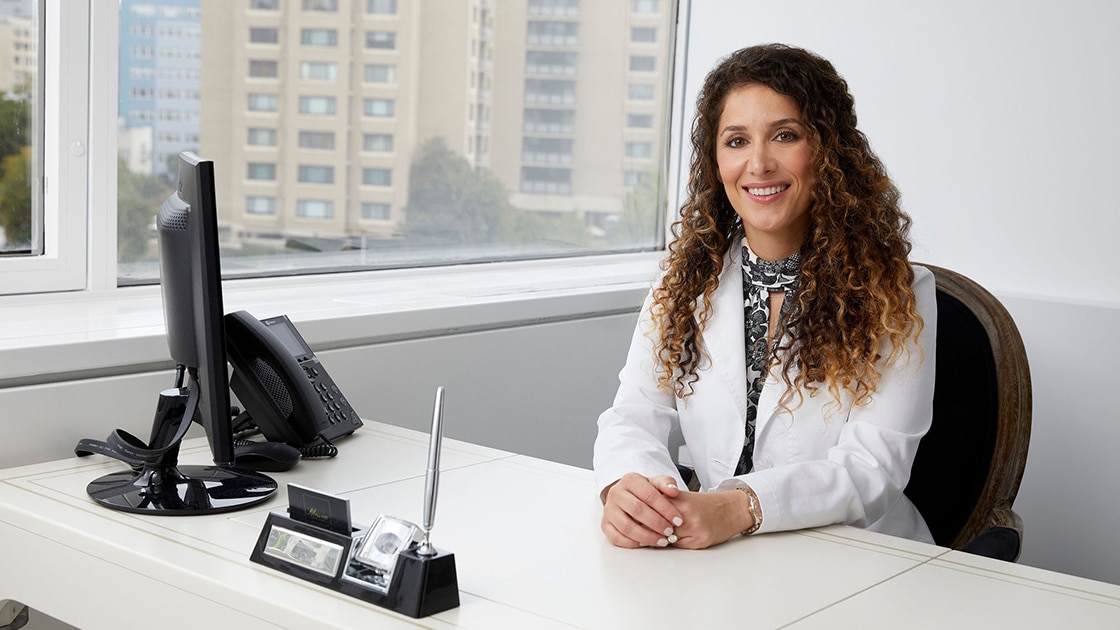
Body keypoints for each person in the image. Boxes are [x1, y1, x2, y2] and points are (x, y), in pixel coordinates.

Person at [594, 43, 937, 550]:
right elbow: (633, 414)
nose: (758, 162)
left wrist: (737, 507)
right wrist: (633, 489)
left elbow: (873, 468)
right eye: (736, 140)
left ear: (827, 151)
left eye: (785, 135)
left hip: (853, 558)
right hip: (719, 557)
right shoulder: (683, 282)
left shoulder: (898, 291)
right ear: (715, 161)